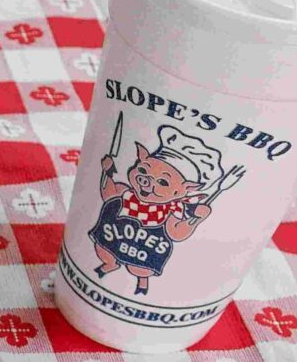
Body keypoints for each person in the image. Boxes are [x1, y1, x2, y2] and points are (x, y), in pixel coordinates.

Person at [91, 125, 223, 298]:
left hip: (145, 249)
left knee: (140, 268)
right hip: (112, 237)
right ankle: (110, 265)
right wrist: (107, 172)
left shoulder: (171, 211)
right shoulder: (126, 193)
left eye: (163, 182)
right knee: (104, 251)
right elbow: (108, 194)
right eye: (143, 170)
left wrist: (196, 219)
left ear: (184, 190)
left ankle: (142, 283)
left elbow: (177, 233)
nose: (146, 181)